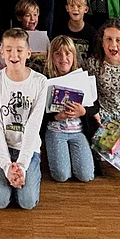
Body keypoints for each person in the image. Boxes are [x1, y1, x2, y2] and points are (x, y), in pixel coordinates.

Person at [0, 28, 48, 210]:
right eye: (9, 50)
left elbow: (33, 127)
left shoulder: (40, 82)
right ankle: (6, 177)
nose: (14, 55)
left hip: (27, 149)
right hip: (1, 148)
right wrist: (7, 167)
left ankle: (20, 178)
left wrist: (21, 165)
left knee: (27, 202)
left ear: (28, 53)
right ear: (1, 53)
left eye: (19, 50)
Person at [43, 36, 94, 183]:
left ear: (74, 55)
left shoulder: (82, 77)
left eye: (67, 53)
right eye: (58, 54)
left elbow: (94, 106)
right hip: (55, 131)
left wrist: (83, 112)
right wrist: (55, 117)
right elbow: (39, 112)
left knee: (86, 176)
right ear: (52, 57)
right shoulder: (45, 79)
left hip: (78, 131)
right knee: (61, 175)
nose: (63, 58)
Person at [51, 0, 95, 64]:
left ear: (86, 9)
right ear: (67, 8)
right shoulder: (59, 30)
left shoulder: (92, 32)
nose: (75, 9)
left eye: (79, 6)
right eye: (72, 6)